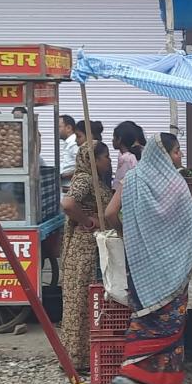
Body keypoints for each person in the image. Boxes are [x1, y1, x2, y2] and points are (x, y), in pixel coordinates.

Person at [104, 132, 192, 384]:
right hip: (173, 269)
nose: (180, 156)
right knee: (170, 326)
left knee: (145, 320)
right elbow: (190, 229)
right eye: (177, 151)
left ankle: (132, 370)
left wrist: (127, 234)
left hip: (141, 267)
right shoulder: (177, 184)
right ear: (164, 155)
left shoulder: (131, 179)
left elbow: (109, 213)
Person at [59, 142, 113, 371]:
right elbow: (68, 203)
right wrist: (87, 221)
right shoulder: (85, 179)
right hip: (84, 249)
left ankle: (84, 356)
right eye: (105, 156)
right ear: (93, 160)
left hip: (92, 248)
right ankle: (77, 359)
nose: (109, 161)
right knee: (81, 301)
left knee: (86, 301)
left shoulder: (95, 180)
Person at [112, 121, 146, 190]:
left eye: (114, 137)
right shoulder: (137, 155)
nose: (112, 140)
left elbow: (119, 183)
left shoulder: (126, 159)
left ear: (119, 139)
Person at [58, 115, 78, 192]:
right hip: (66, 186)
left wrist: (63, 176)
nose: (56, 130)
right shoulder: (69, 143)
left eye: (59, 127)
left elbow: (83, 166)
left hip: (71, 187)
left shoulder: (74, 143)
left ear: (69, 128)